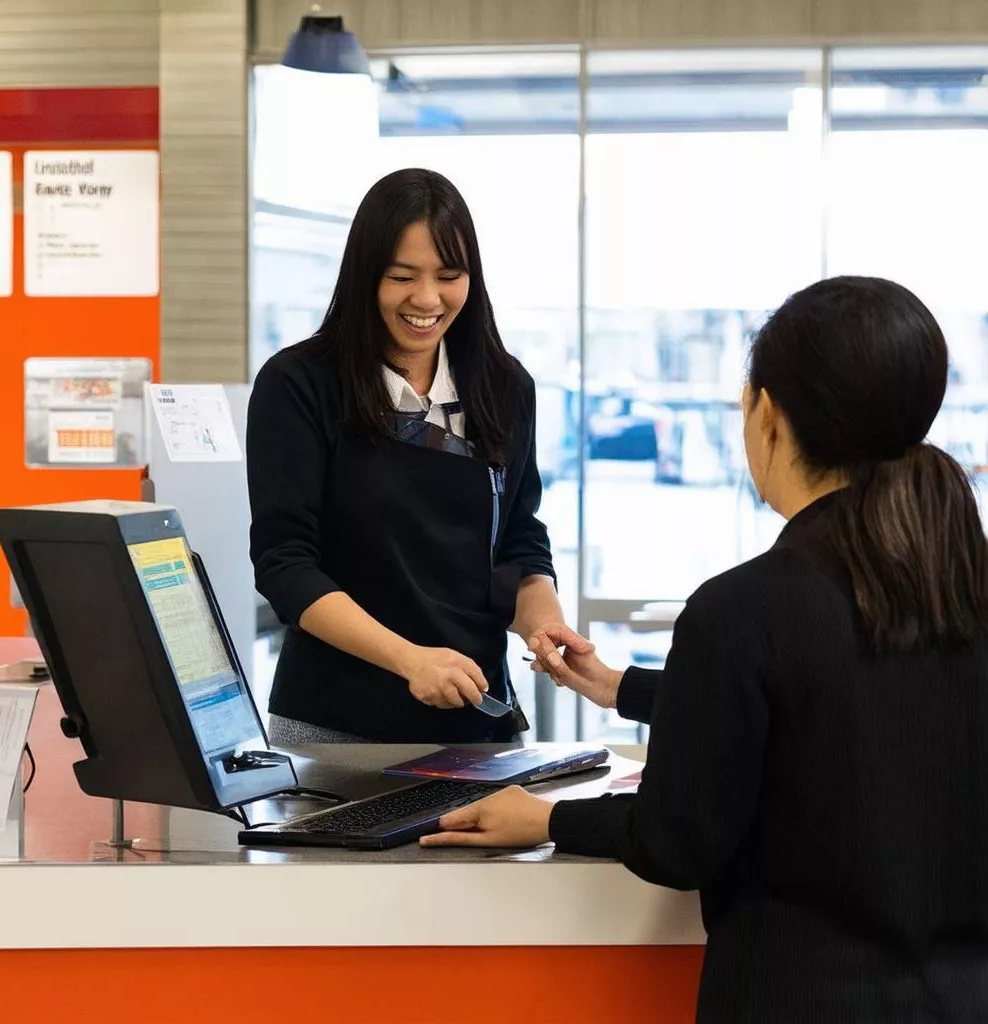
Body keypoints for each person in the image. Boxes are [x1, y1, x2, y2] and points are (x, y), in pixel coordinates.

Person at [422, 276, 988, 1021]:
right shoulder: (958, 583)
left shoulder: (746, 607)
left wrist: (546, 819)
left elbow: (678, 839)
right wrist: (622, 686)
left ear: (769, 415)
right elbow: (841, 699)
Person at [247, 168, 579, 745]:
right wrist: (409, 660)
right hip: (334, 726)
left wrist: (544, 626)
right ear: (364, 276)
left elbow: (518, 539)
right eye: (403, 276)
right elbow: (286, 566)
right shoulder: (298, 384)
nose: (427, 299)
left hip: (478, 720)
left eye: (449, 276)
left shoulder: (504, 387)